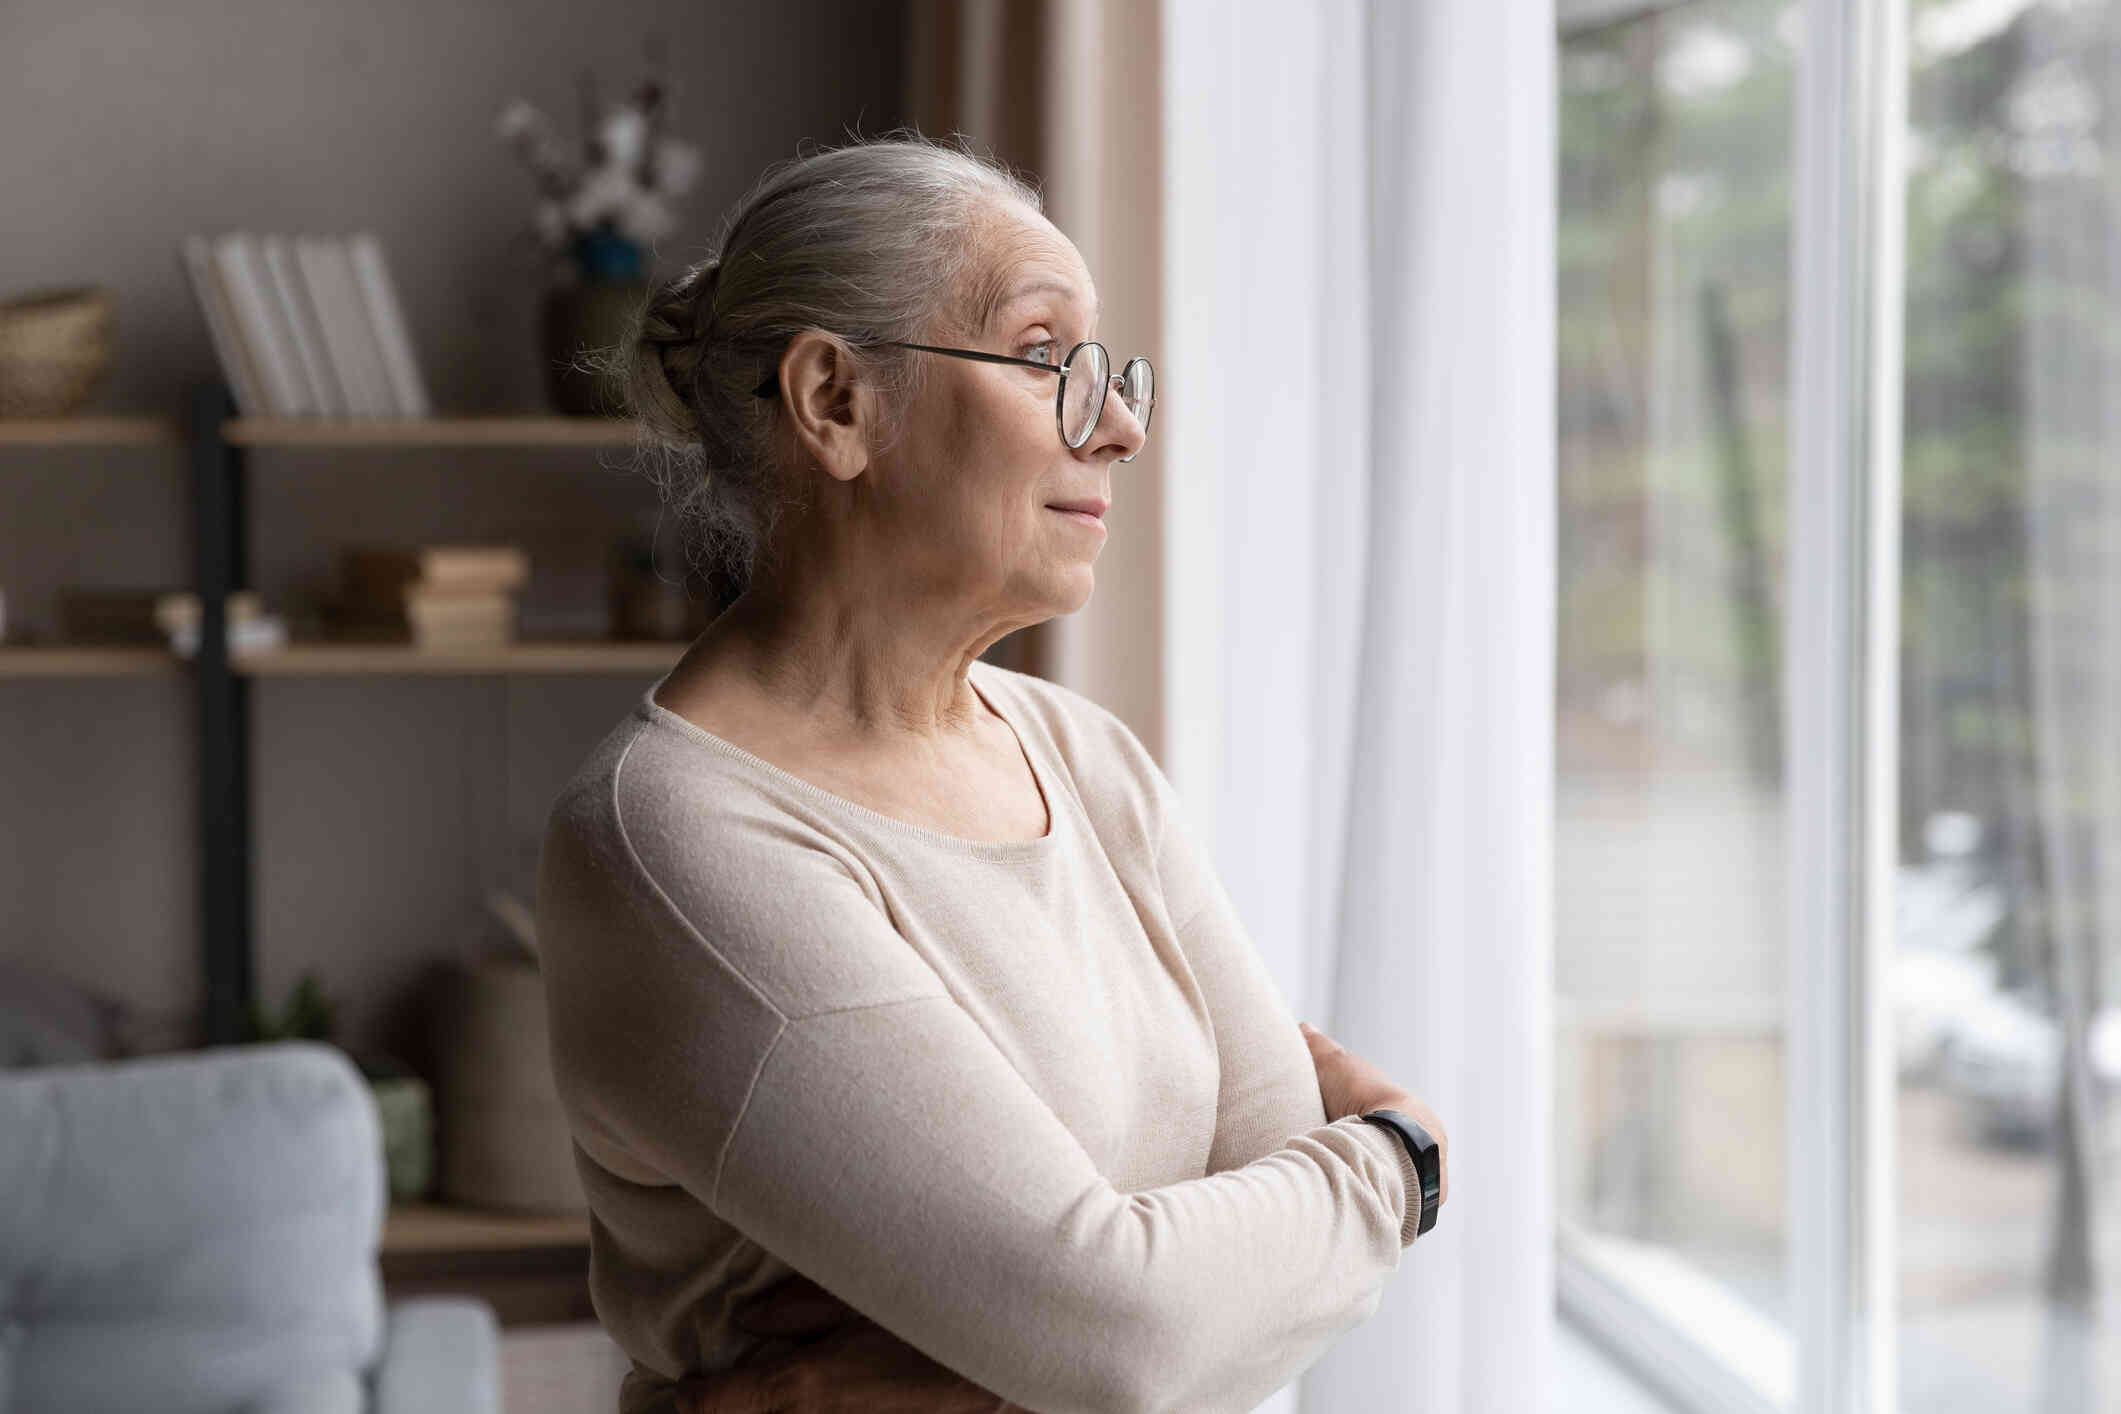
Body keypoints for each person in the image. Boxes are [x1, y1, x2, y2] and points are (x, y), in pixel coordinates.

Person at [537, 129, 1449, 1414]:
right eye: (1042, 358)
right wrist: (1403, 1162)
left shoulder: (1085, 756)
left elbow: (1215, 1308)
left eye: (1109, 369)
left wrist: (993, 1371)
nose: (1121, 424)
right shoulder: (675, 840)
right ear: (837, 404)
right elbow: (1129, 1332)